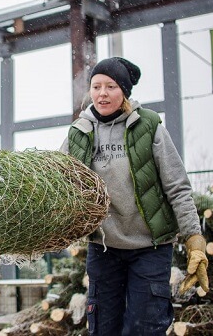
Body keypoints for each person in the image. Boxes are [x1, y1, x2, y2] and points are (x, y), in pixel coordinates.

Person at [60, 57, 209, 335]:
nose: (102, 93)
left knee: (144, 327)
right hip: (104, 249)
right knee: (103, 327)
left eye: (111, 86)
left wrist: (194, 238)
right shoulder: (78, 134)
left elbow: (177, 185)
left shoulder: (149, 127)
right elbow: (57, 183)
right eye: (96, 86)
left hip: (150, 248)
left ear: (125, 91)